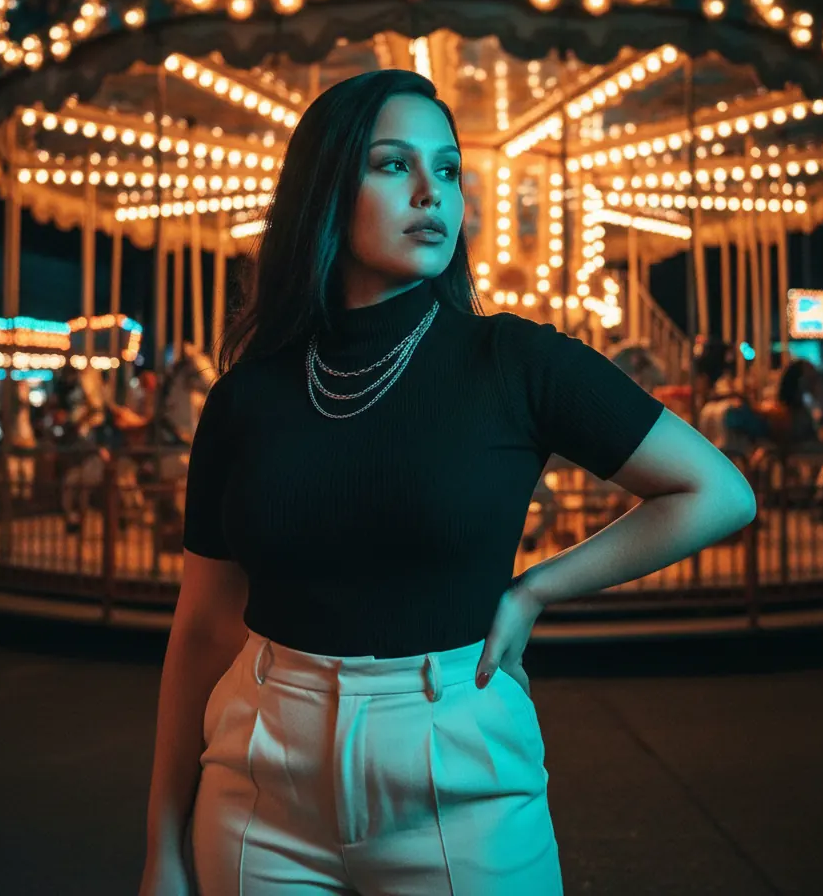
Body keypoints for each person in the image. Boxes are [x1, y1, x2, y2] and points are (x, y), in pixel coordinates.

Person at [139, 69, 757, 896]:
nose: (433, 191)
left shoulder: (514, 360)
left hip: (456, 765)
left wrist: (537, 587)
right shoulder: (248, 393)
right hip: (261, 764)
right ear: (327, 187)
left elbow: (716, 491)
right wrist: (161, 843)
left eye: (449, 168)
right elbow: (204, 629)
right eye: (393, 165)